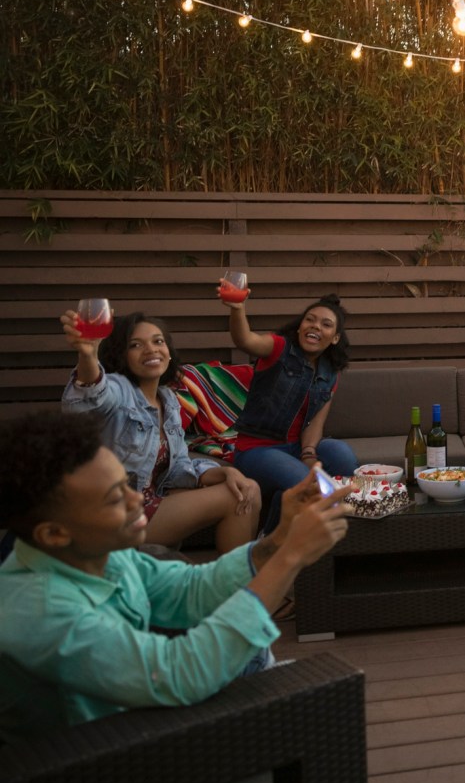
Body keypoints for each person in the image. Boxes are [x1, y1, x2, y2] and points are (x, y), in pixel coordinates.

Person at [0, 409, 351, 742]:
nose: (136, 499)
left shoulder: (101, 555)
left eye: (127, 483)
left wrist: (279, 537)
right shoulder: (41, 611)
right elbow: (181, 673)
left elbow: (191, 591)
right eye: (113, 499)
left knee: (261, 665)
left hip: (135, 712)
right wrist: (290, 557)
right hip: (100, 753)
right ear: (54, 534)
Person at [59, 309, 261, 554]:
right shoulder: (118, 389)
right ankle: (238, 585)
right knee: (236, 498)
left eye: (158, 341)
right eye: (136, 345)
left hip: (150, 501)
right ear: (121, 354)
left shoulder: (168, 400)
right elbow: (90, 395)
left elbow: (178, 469)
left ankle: (242, 579)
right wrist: (88, 354)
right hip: (114, 513)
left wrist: (224, 474)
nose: (151, 350)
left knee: (246, 487)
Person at [224, 289, 357, 498]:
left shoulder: (330, 373)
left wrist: (308, 453)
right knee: (305, 482)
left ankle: (289, 504)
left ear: (335, 338)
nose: (315, 326)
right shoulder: (278, 348)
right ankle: (271, 531)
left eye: (326, 324)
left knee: (341, 455)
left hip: (294, 449)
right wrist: (237, 308)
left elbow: (315, 423)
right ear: (299, 328)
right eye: (310, 320)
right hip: (257, 450)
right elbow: (246, 340)